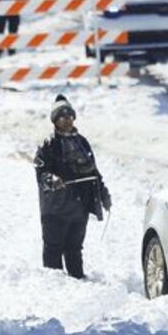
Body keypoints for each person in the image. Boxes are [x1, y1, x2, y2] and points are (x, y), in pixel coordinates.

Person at [33, 95, 111, 279]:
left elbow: (94, 173)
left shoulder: (82, 142)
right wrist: (51, 179)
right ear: (54, 120)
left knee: (74, 249)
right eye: (62, 116)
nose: (67, 120)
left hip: (79, 207)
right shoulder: (48, 144)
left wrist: (104, 194)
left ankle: (78, 280)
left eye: (70, 116)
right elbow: (41, 172)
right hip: (55, 209)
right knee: (53, 249)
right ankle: (54, 287)